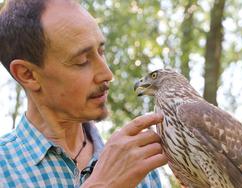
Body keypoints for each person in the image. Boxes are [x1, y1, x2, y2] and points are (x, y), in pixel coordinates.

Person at [0, 0, 168, 187]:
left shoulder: (138, 164)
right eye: (81, 61)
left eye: (101, 52)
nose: (107, 74)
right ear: (28, 74)